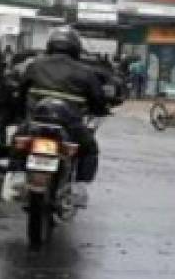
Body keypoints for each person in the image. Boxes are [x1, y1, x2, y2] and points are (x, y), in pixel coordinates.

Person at [19, 26, 108, 206]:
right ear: (75, 48)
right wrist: (101, 109)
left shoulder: (34, 66)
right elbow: (98, 100)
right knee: (90, 149)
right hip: (70, 126)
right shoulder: (86, 72)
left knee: (18, 140)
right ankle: (79, 186)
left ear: (50, 45)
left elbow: (21, 92)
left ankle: (14, 176)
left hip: (36, 122)